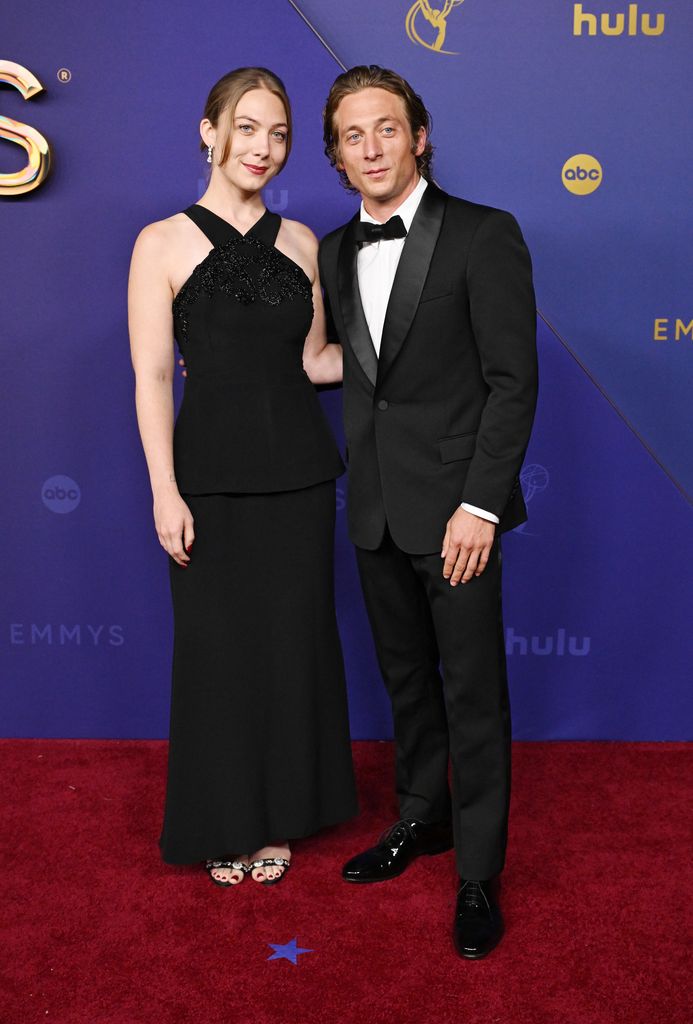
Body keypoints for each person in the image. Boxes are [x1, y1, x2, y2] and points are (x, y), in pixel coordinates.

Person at [318, 66, 538, 957]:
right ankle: (423, 821)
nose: (370, 148)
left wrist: (479, 507)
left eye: (385, 129)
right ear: (336, 153)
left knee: (473, 696)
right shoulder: (334, 250)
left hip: (457, 518)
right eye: (351, 135)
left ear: (419, 136)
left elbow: (511, 384)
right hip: (371, 509)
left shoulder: (485, 235)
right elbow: (345, 366)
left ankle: (478, 872)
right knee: (406, 687)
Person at [128, 67, 357, 888]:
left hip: (297, 478)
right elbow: (153, 375)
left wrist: (401, 351)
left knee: (292, 648)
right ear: (208, 130)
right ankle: (226, 819)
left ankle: (280, 819)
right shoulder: (161, 242)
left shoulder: (304, 245)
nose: (263, 147)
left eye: (279, 134)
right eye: (249, 128)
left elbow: (312, 361)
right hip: (208, 482)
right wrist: (164, 488)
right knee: (218, 655)